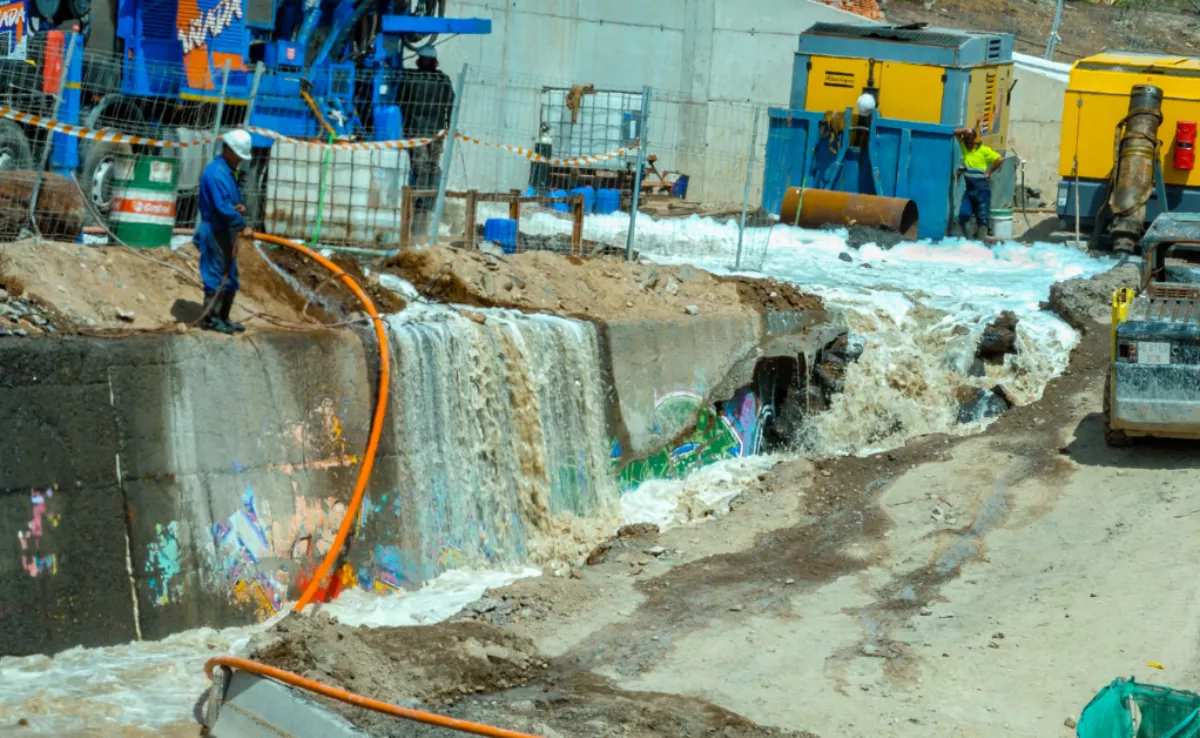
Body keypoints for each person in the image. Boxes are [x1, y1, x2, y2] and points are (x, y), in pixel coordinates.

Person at [196, 129, 253, 334]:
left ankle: (223, 317)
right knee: (216, 274)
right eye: (239, 155)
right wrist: (242, 224)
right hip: (215, 230)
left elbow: (227, 203)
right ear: (228, 149)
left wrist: (238, 207)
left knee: (230, 275)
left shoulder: (227, 172)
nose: (240, 160)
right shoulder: (216, 173)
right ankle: (211, 320)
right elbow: (221, 207)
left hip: (225, 230)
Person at [397, 44, 455, 237]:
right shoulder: (443, 80)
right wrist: (447, 126)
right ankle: (429, 205)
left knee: (419, 168)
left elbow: (401, 103)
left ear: (418, 61)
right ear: (435, 62)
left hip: (415, 133)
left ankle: (418, 207)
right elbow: (451, 105)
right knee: (432, 167)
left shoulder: (410, 79)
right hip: (436, 134)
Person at [954, 123, 1004, 240]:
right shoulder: (965, 148)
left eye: (970, 138)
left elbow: (1000, 159)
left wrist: (989, 171)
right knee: (963, 215)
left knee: (982, 217)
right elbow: (955, 133)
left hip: (982, 189)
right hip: (970, 189)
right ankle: (967, 240)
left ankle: (980, 242)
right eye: (966, 138)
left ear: (975, 139)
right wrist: (966, 130)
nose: (967, 141)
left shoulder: (984, 150)